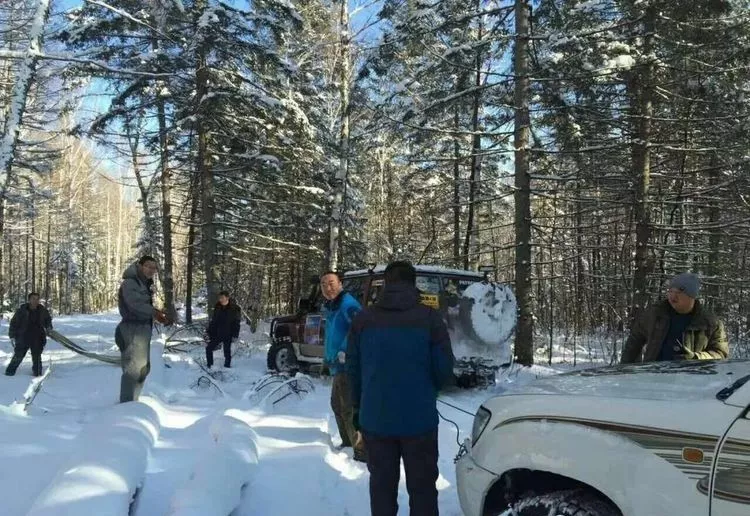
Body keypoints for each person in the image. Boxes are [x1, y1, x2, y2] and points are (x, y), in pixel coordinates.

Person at [347, 261, 454, 516]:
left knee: (382, 487)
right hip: (419, 421)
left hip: (376, 419)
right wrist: (429, 390)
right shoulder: (430, 318)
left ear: (386, 283)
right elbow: (444, 369)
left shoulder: (363, 319)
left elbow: (353, 368)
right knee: (423, 488)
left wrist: (358, 407)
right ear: (413, 283)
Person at [622, 272, 729, 363]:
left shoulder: (710, 323)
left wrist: (696, 358)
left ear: (692, 296)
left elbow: (720, 354)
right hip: (654, 378)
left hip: (693, 382)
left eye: (679, 292)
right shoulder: (654, 314)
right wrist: (627, 371)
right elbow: (633, 343)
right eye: (670, 291)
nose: (672, 296)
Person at [321, 270, 365, 462]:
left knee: (349, 408)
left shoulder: (348, 305)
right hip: (336, 366)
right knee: (337, 405)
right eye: (323, 284)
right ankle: (348, 444)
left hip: (349, 365)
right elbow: (331, 335)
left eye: (331, 283)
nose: (327, 287)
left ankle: (361, 451)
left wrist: (344, 351)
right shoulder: (331, 306)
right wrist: (326, 358)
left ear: (340, 284)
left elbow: (359, 329)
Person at [116, 255, 171, 402]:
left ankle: (134, 401)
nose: (151, 270)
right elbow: (135, 304)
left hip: (143, 329)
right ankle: (126, 405)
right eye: (148, 266)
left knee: (143, 369)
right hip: (131, 329)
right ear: (140, 266)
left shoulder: (144, 283)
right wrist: (154, 312)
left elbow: (143, 304)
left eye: (154, 268)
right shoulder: (130, 283)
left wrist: (156, 312)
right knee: (134, 370)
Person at [5, 293, 53, 377]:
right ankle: (9, 373)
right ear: (29, 300)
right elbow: (14, 323)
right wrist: (12, 335)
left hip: (37, 337)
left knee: (37, 357)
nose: (35, 301)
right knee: (18, 355)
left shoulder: (42, 310)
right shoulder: (22, 310)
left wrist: (49, 327)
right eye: (33, 298)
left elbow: (47, 320)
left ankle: (37, 374)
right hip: (23, 337)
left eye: (37, 299)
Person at [206, 290, 242, 368]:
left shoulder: (235, 308)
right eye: (220, 298)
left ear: (227, 298)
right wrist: (209, 331)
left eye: (222, 298)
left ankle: (227, 367)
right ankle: (209, 366)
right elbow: (214, 320)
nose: (220, 300)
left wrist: (235, 335)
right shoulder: (218, 306)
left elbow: (237, 323)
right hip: (218, 332)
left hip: (228, 333)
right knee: (209, 348)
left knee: (227, 351)